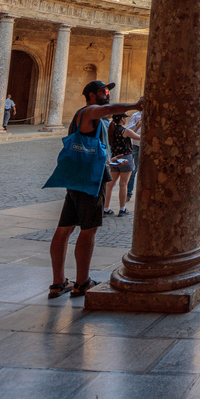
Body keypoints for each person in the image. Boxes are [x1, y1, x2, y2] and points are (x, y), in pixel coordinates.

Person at [48, 82, 142, 297]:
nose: (107, 94)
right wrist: (135, 105)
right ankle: (82, 282)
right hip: (90, 180)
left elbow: (93, 145)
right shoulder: (89, 111)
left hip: (77, 178)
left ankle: (58, 282)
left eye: (108, 91)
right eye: (103, 92)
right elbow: (108, 110)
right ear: (91, 95)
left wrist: (110, 160)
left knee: (64, 229)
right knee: (88, 230)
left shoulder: (93, 119)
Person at [104, 107, 135, 216]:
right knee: (123, 184)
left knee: (110, 184)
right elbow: (137, 137)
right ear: (122, 119)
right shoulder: (125, 131)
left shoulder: (112, 130)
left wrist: (138, 125)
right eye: (125, 117)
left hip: (115, 158)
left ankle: (106, 208)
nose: (126, 119)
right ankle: (122, 209)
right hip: (126, 158)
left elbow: (129, 134)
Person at [123, 105, 143, 204]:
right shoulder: (136, 115)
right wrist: (137, 124)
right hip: (136, 145)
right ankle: (128, 193)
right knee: (133, 170)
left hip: (148, 145)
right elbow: (128, 130)